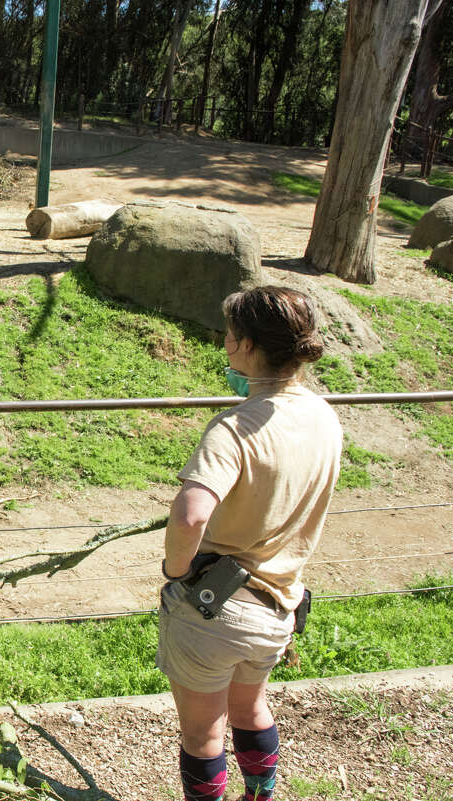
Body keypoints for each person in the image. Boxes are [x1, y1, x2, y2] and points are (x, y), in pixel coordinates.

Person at [157, 286, 342, 801]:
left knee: (202, 734)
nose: (224, 342)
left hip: (216, 611)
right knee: (251, 709)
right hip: (279, 606)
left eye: (230, 334)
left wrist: (176, 570)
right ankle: (260, 794)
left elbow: (192, 512)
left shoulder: (234, 429)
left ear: (247, 345)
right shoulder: (324, 416)